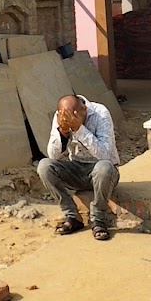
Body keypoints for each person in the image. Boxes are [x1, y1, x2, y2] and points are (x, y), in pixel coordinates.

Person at [37, 93, 119, 241]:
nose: (69, 119)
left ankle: (98, 219)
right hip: (76, 169)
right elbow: (52, 155)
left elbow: (105, 155)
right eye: (65, 116)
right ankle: (71, 216)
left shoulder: (100, 113)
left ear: (84, 109)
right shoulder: (61, 115)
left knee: (104, 167)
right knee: (44, 166)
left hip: (102, 172)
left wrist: (79, 129)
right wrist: (62, 132)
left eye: (73, 116)